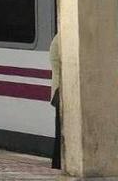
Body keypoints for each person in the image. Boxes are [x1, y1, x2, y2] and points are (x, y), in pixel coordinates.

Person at [50, 33, 62, 169]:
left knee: (61, 129)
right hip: (62, 91)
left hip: (60, 89)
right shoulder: (61, 40)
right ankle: (58, 162)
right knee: (61, 130)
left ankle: (58, 162)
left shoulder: (58, 39)